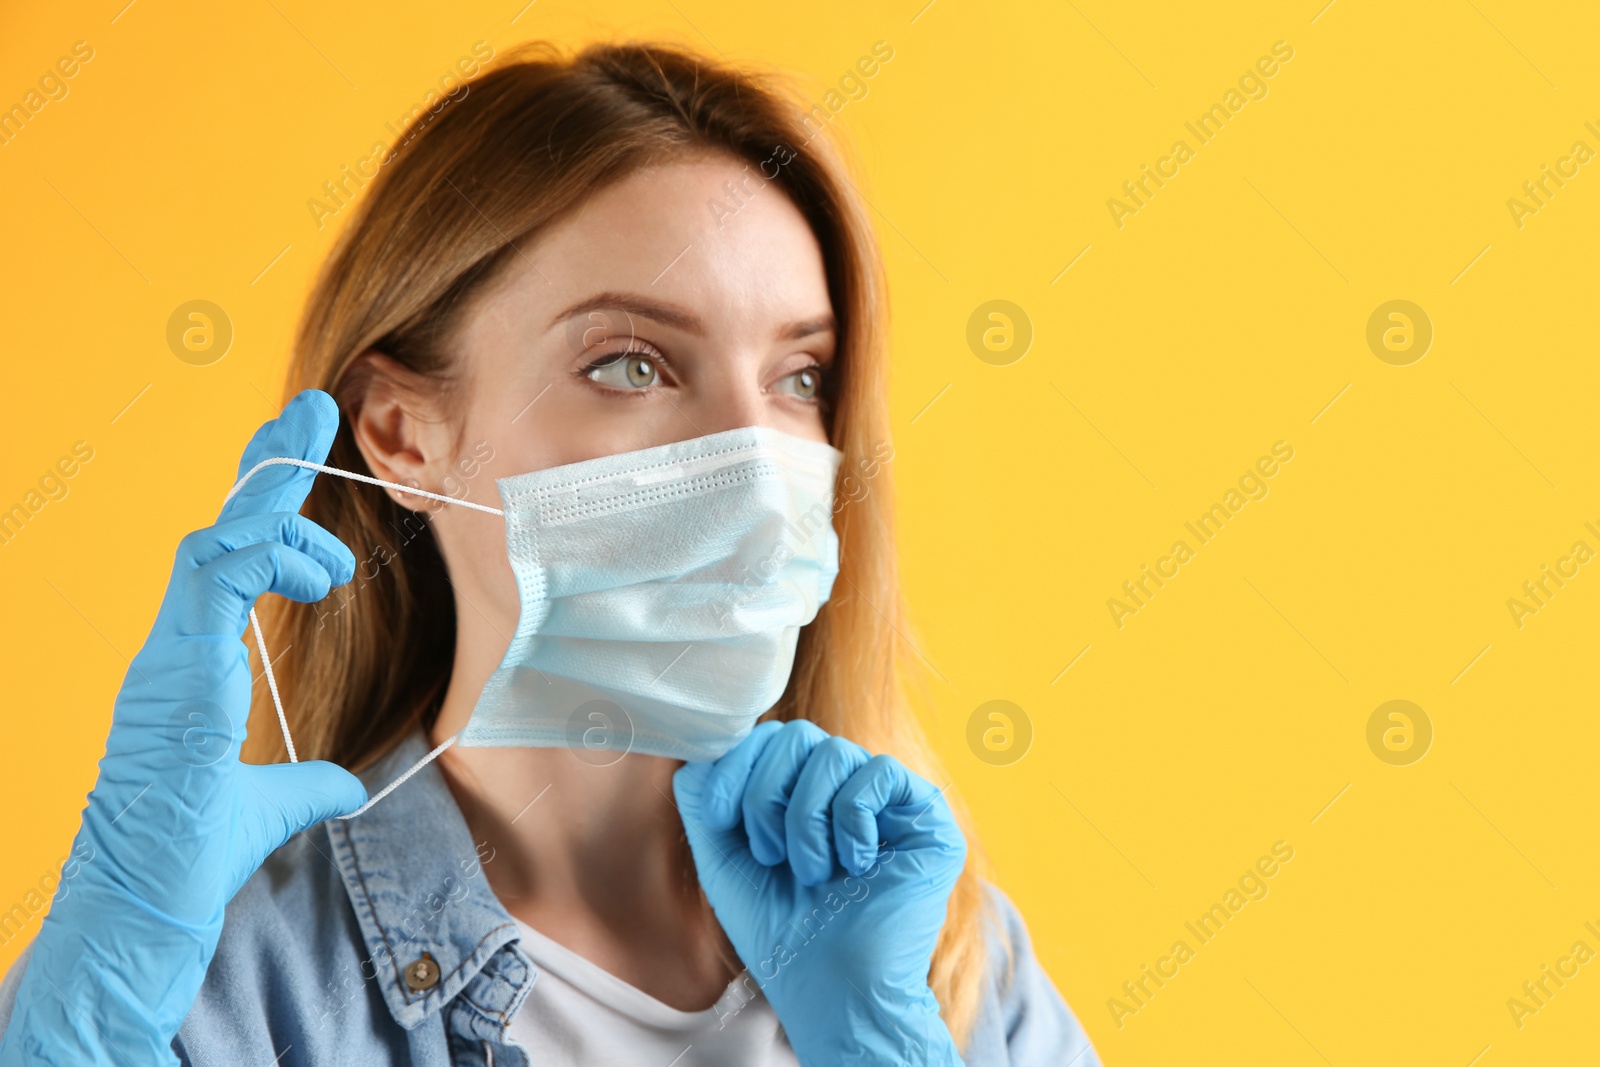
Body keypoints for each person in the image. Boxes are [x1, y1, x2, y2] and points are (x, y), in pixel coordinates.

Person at [0, 40, 1099, 1066]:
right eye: (632, 364)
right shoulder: (235, 991)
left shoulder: (941, 950)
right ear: (402, 435)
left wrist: (881, 1039)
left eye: (798, 376)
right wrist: (91, 1011)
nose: (756, 464)